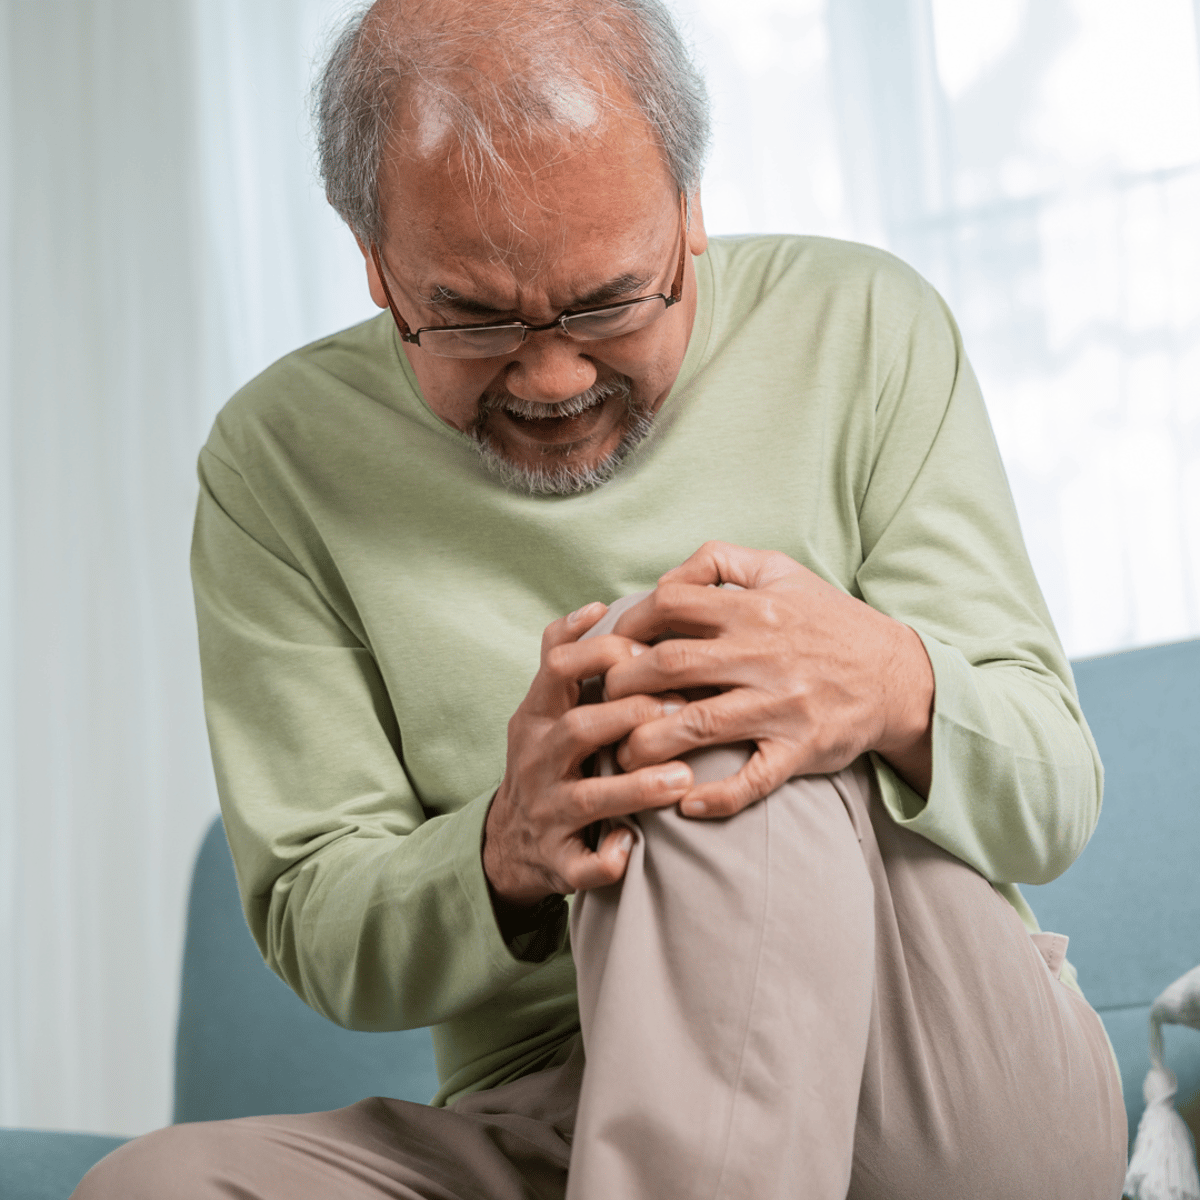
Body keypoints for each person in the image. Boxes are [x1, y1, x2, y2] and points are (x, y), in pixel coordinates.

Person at [75, 0, 1127, 1196]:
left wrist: (884, 685)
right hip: (564, 1120)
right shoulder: (278, 462)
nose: (553, 376)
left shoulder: (863, 326)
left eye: (609, 303)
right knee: (151, 1187)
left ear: (689, 211)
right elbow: (322, 924)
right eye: (472, 318)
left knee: (680, 701)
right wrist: (504, 846)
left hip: (936, 1083)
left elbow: (1054, 797)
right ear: (372, 260)